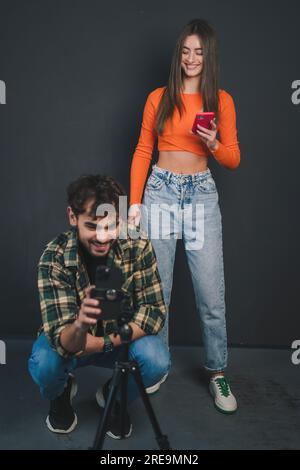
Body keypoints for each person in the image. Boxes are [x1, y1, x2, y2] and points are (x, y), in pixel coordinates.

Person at [129, 19, 240, 414]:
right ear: (179, 55)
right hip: (159, 193)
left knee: (211, 290)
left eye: (200, 52)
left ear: (208, 58)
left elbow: (233, 159)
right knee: (159, 288)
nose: (192, 58)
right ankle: (157, 366)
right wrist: (136, 203)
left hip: (201, 197)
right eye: (186, 51)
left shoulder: (221, 100)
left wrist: (214, 142)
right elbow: (144, 149)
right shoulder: (158, 97)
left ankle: (216, 371)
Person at [28, 174, 170, 439]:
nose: (103, 237)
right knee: (44, 364)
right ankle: (60, 394)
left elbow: (154, 311)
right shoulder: (54, 257)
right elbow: (63, 341)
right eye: (92, 226)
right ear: (73, 217)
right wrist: (81, 324)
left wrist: (103, 342)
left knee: (156, 359)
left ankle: (114, 395)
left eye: (112, 226)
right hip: (72, 345)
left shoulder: (137, 243)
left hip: (116, 342)